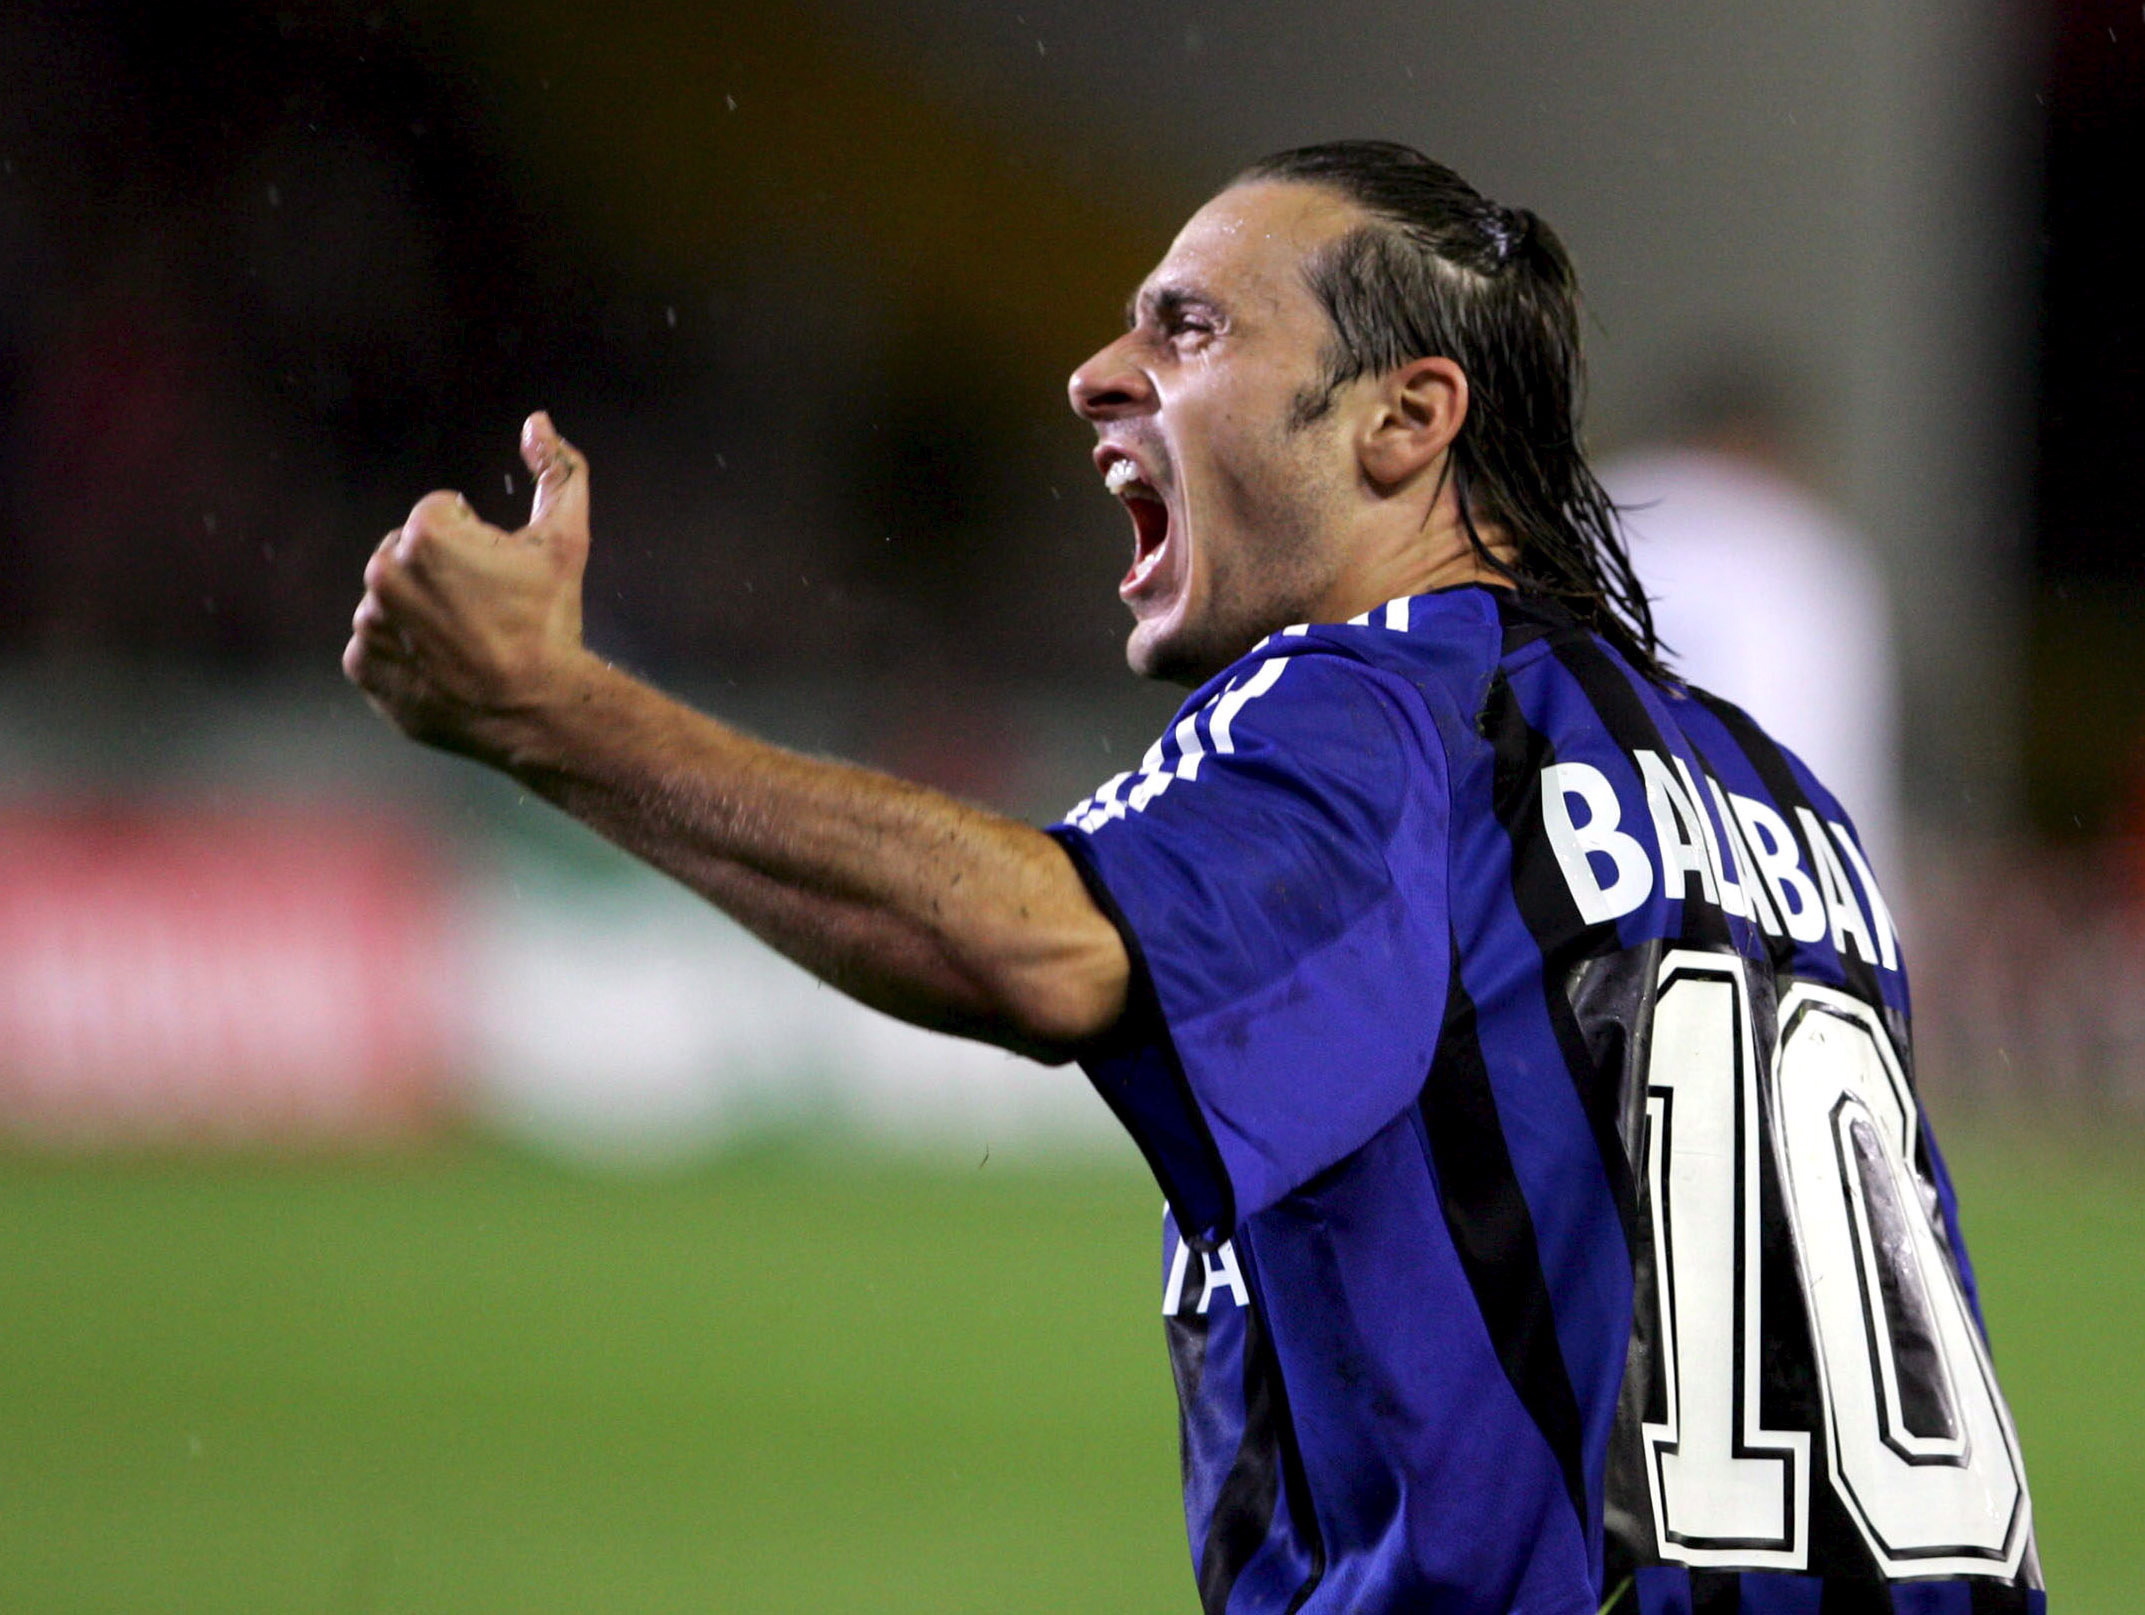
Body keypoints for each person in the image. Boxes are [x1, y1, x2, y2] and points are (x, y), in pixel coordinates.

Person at [345, 141, 2041, 1614]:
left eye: (1190, 328)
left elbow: (1042, 946)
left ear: (1405, 420)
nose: (1099, 373)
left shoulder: (1382, 708)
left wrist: (558, 716)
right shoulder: (1774, 795)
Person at [1601, 363, 1902, 882]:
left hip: (1591, 854)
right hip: (1772, 875)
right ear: (1763, 444)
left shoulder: (1597, 503)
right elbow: (1839, 774)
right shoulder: (1804, 543)